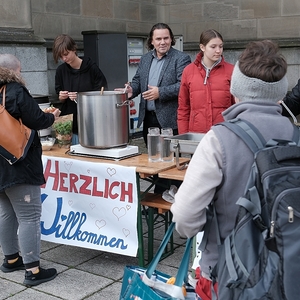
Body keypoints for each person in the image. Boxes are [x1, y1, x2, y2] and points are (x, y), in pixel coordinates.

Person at [170, 40, 292, 300]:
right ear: (280, 93)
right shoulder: (296, 135)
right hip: (289, 267)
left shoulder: (218, 139)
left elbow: (184, 217)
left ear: (235, 89)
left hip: (228, 272)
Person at [0, 54, 61, 287]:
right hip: (19, 165)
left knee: (6, 212)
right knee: (29, 217)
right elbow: (37, 121)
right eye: (20, 70)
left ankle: (11, 259)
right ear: (14, 71)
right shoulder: (15, 90)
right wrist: (51, 116)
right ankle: (33, 271)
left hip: (1, 167)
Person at [117, 23, 191, 193]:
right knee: (154, 162)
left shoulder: (181, 58)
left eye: (166, 38)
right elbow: (137, 82)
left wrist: (161, 92)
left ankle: (170, 203)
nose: (162, 42)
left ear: (171, 39)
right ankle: (158, 202)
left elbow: (184, 85)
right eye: (158, 39)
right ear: (152, 41)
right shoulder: (145, 59)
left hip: (170, 122)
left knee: (171, 164)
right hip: (149, 119)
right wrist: (130, 90)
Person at [53, 34, 108, 145]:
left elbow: (103, 91)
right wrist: (61, 96)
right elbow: (59, 96)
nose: (64, 59)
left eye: (66, 54)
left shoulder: (91, 67)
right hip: (69, 123)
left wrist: (81, 97)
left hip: (90, 120)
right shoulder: (61, 70)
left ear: (74, 49)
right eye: (61, 57)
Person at [177, 29, 235, 134]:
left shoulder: (231, 71)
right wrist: (184, 136)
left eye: (221, 46)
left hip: (224, 133)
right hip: (197, 133)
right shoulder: (189, 71)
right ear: (202, 47)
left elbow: (237, 107)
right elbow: (183, 108)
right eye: (213, 47)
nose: (218, 50)